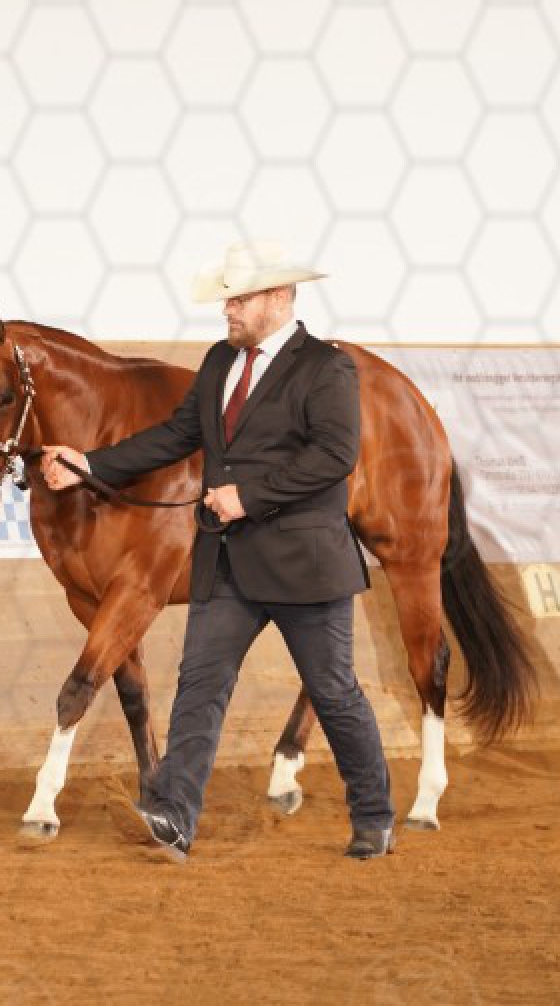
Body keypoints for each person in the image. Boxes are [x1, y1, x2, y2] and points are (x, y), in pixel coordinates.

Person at [41, 240, 395, 861]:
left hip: (306, 566)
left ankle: (374, 814)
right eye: (226, 299)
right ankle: (175, 815)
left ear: (279, 298)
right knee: (200, 686)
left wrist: (248, 496)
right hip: (228, 560)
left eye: (239, 299)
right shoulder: (218, 362)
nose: (227, 309)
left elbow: (335, 456)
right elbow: (176, 435)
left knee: (334, 691)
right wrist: (90, 465)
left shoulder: (326, 368)